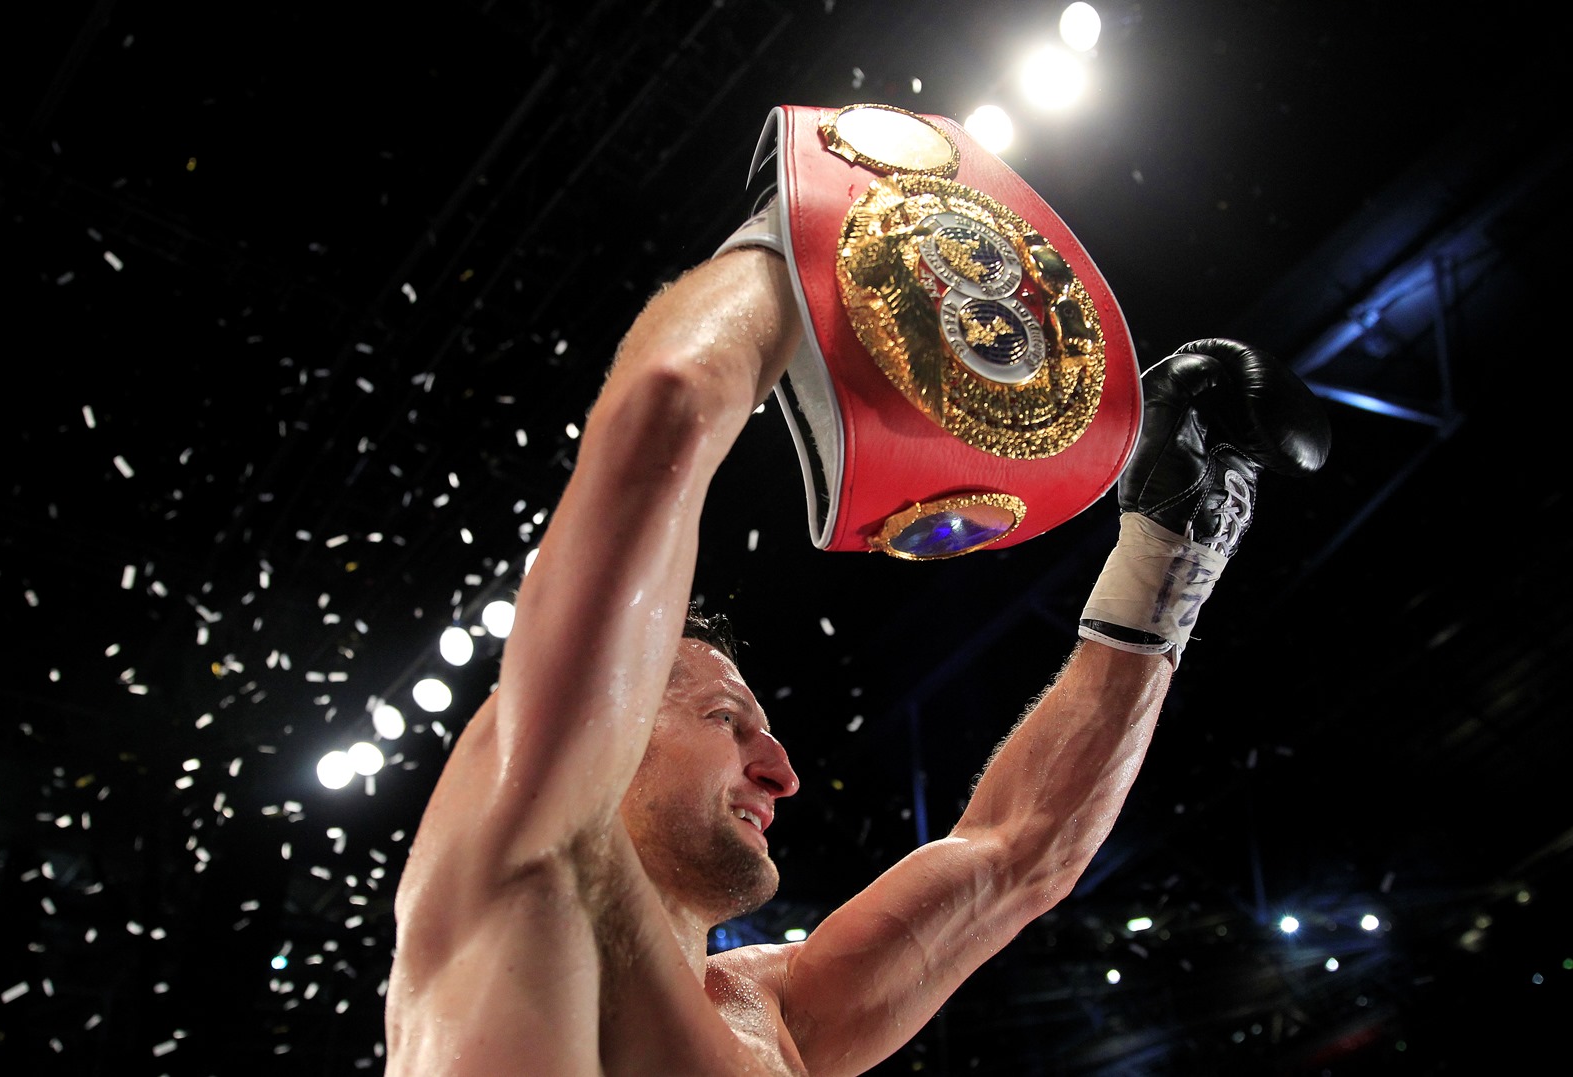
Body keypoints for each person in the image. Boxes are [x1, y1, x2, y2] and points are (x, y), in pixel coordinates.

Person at [382, 125, 1330, 1074]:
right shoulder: (519, 848)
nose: (783, 770)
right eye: (726, 716)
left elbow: (1015, 854)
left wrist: (1169, 556)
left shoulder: (774, 1013)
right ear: (611, 723)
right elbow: (666, 406)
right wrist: (794, 236)